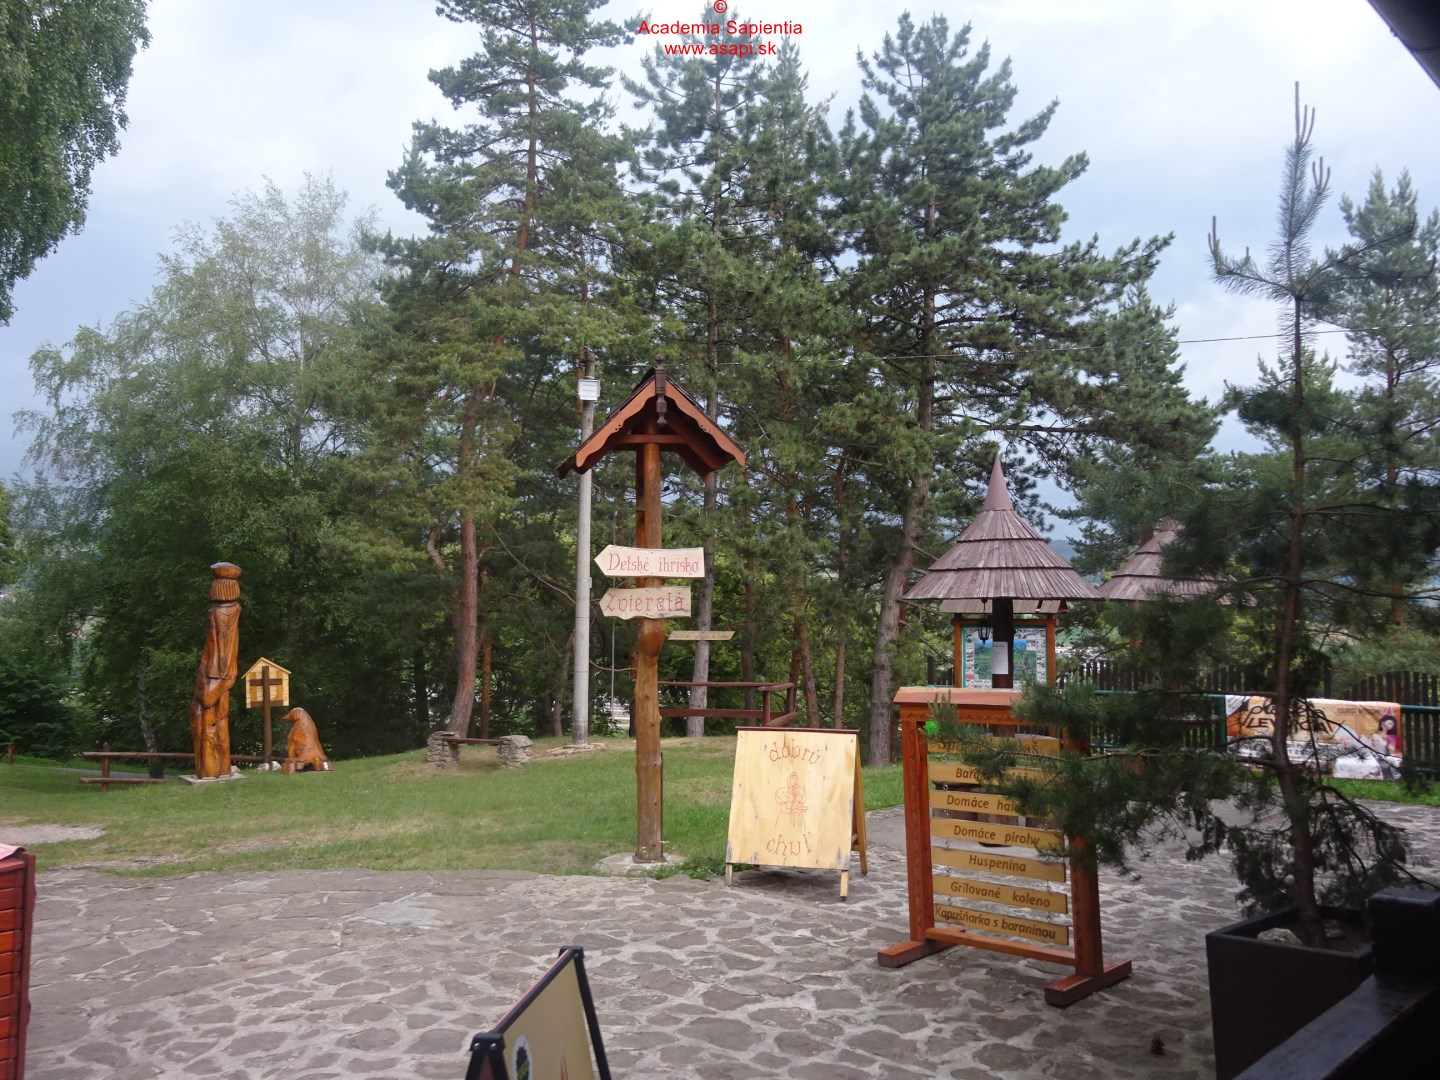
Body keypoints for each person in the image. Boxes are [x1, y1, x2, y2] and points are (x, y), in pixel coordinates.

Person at [189, 563, 241, 778]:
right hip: (227, 672)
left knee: (206, 717)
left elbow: (214, 646)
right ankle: (220, 767)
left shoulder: (214, 613)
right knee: (219, 719)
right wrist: (228, 673)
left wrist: (216, 674)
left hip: (214, 673)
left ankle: (210, 769)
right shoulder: (236, 610)